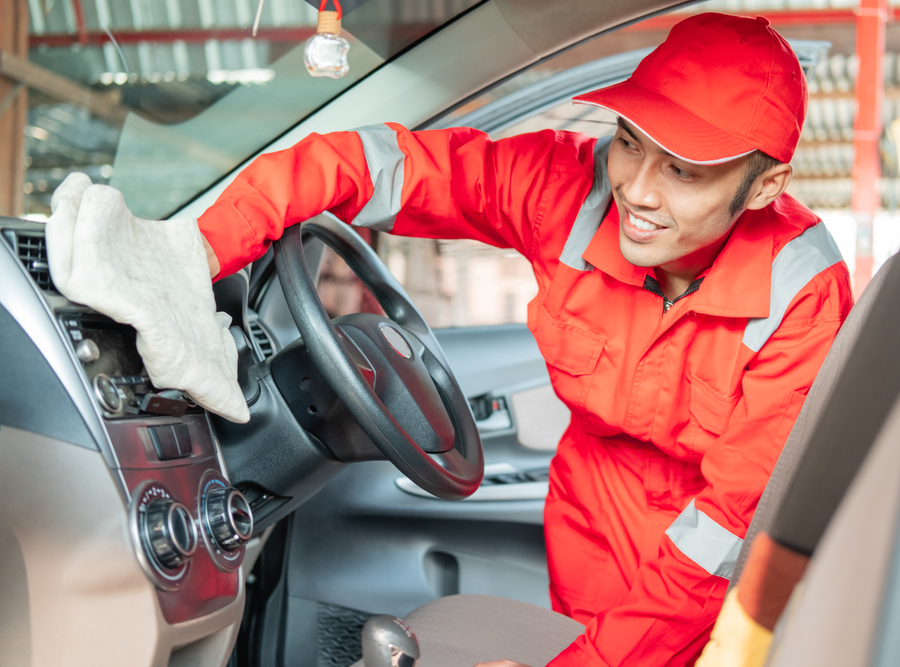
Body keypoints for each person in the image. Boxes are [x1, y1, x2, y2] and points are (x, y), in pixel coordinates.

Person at [196, 13, 853, 666]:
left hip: (707, 589)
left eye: (684, 171)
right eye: (630, 140)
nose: (637, 189)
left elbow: (726, 529)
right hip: (586, 531)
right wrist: (198, 254)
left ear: (764, 185)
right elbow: (384, 166)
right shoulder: (567, 188)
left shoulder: (802, 294)